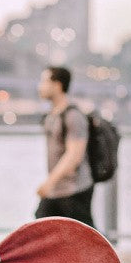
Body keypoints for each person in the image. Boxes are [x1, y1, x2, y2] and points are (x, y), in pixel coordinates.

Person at [35, 66, 94, 227]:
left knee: (85, 240)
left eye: (44, 81)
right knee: (39, 230)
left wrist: (49, 183)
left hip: (74, 190)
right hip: (56, 190)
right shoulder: (52, 114)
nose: (40, 86)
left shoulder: (73, 116)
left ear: (57, 85)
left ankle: (109, 252)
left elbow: (74, 155)